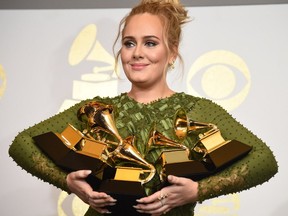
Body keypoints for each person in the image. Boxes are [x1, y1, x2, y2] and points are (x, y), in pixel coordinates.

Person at [9, 0, 278, 215]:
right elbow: (22, 144)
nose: (137, 52)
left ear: (172, 52)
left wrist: (198, 191)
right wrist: (68, 182)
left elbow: (264, 160)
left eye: (150, 42)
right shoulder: (95, 109)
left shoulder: (197, 110)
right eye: (129, 43)